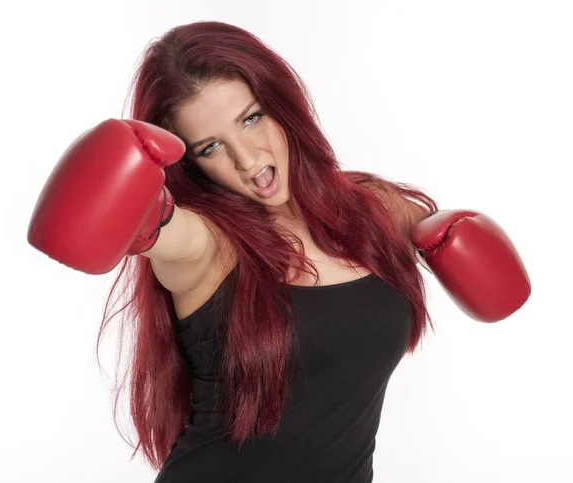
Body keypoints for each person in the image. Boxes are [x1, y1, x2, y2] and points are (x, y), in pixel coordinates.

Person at [27, 21, 531, 482]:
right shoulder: (207, 244)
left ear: (281, 104)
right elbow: (164, 231)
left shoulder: (371, 208)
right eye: (210, 147)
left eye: (250, 119)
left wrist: (450, 232)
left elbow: (428, 228)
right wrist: (135, 208)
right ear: (192, 165)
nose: (248, 161)